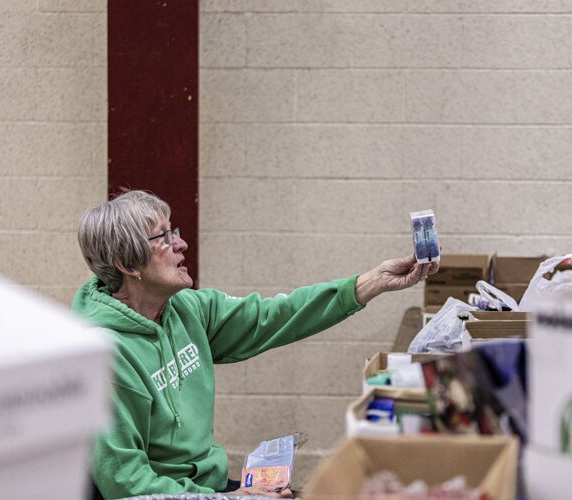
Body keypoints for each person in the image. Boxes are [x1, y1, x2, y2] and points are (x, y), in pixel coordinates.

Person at [71, 190, 439, 499]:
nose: (181, 243)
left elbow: (276, 316)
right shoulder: (104, 357)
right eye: (164, 237)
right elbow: (127, 484)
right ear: (126, 263)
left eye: (174, 231)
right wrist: (226, 499)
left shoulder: (185, 309)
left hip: (210, 489)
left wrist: (371, 283)